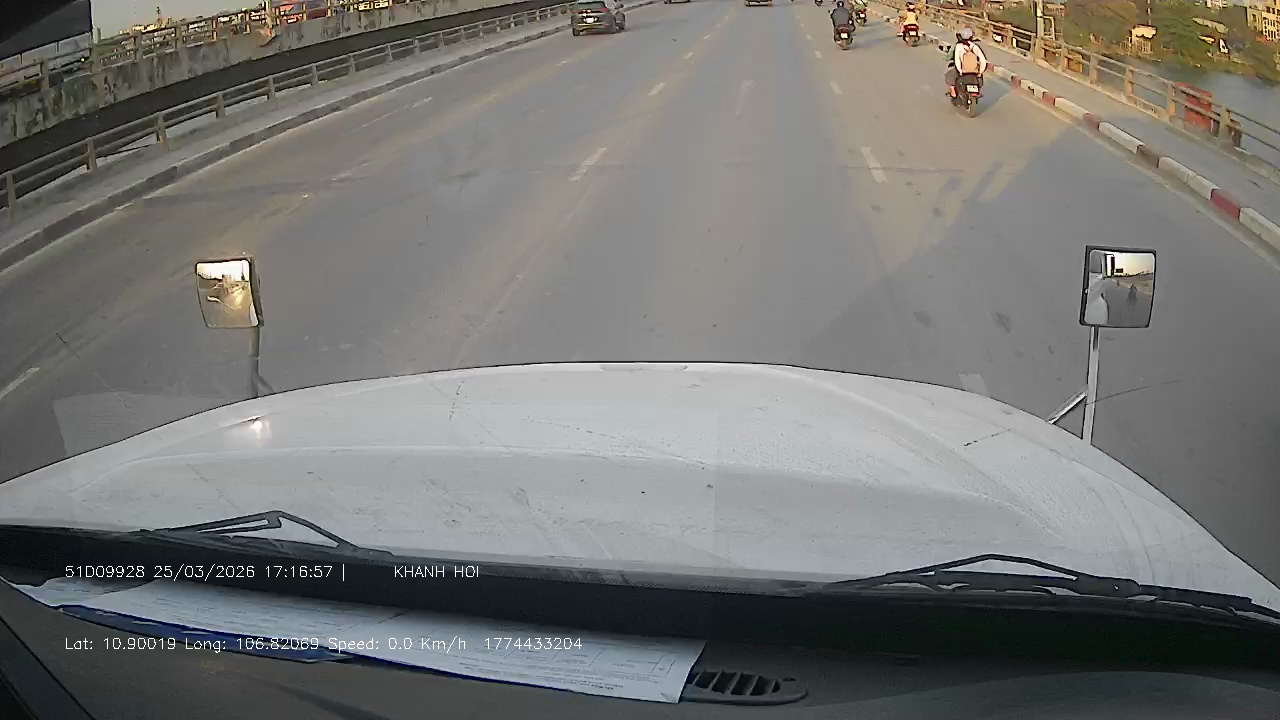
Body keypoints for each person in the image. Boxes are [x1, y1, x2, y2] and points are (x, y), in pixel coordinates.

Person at [946, 27, 988, 97]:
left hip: (963, 71)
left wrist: (960, 71)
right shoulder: (975, 46)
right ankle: (977, 89)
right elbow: (983, 60)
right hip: (974, 72)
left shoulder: (958, 46)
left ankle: (953, 91)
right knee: (979, 78)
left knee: (950, 75)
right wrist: (980, 71)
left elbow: (957, 59)